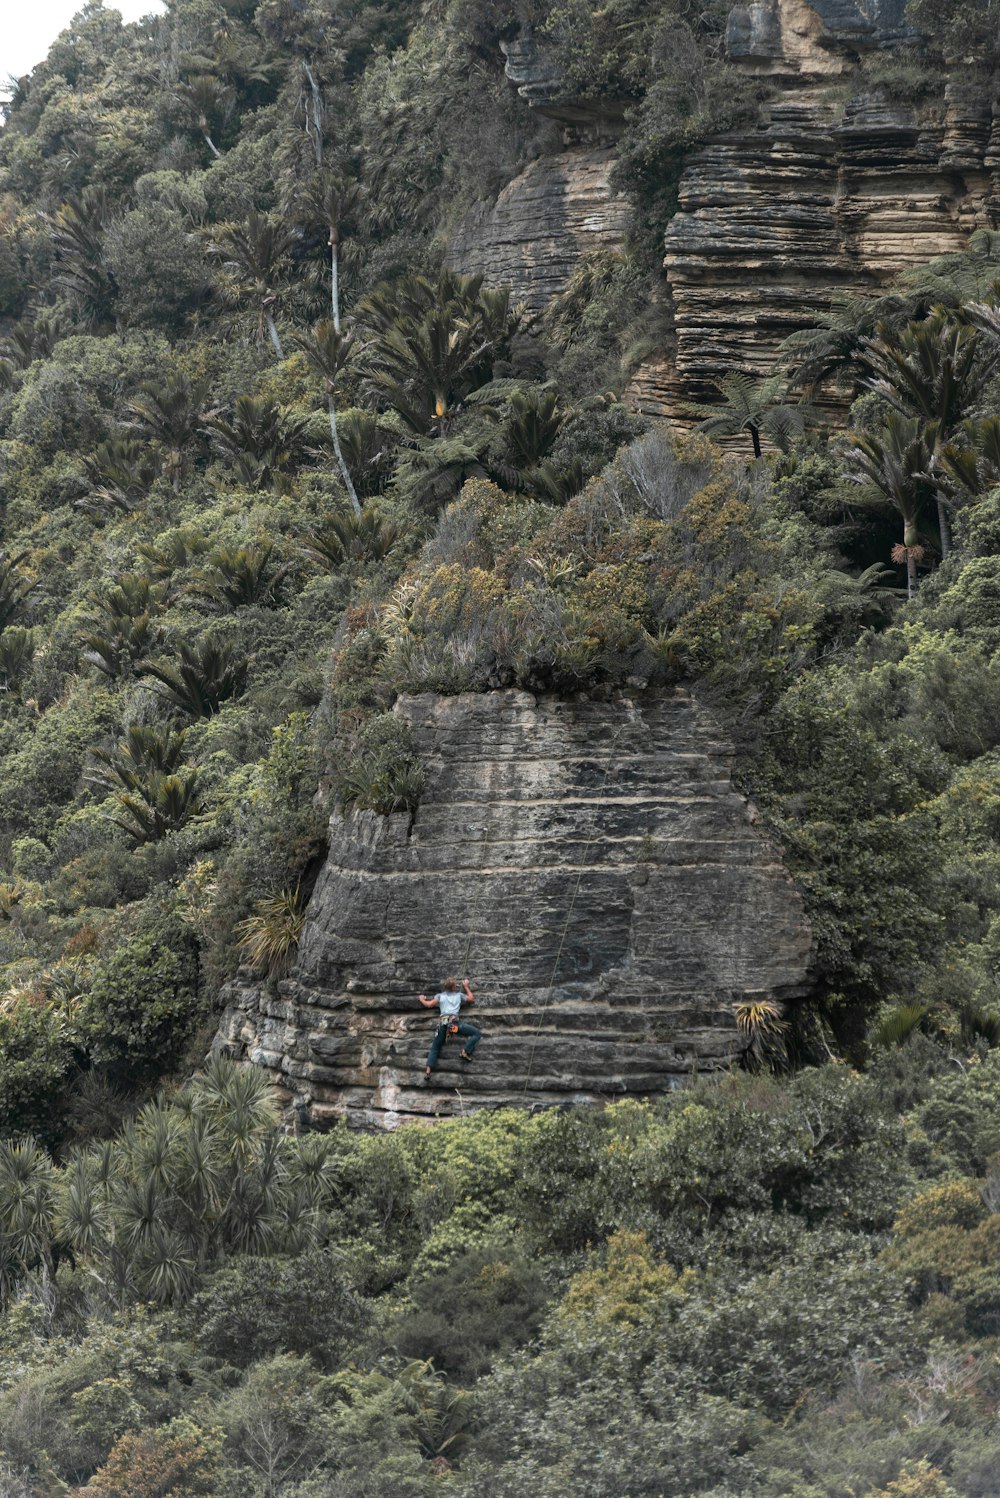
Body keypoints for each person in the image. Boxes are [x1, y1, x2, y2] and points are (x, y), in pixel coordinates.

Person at [419, 976, 481, 1079]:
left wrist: (422, 999)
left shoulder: (440, 996)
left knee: (435, 1047)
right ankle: (465, 1051)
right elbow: (471, 998)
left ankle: (428, 1072)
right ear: (454, 987)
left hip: (443, 1026)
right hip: (454, 1026)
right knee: (476, 1033)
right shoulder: (459, 995)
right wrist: (466, 986)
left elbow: (429, 1004)